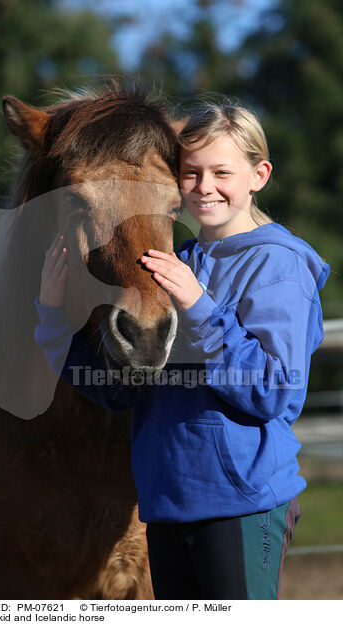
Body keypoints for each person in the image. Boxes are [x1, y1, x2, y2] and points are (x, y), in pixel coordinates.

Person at [34, 96, 330, 600]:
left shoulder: (277, 265)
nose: (204, 187)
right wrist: (54, 323)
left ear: (259, 175)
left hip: (240, 505)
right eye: (190, 173)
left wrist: (199, 307)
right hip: (166, 504)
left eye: (222, 172)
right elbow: (122, 393)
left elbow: (274, 392)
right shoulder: (173, 258)